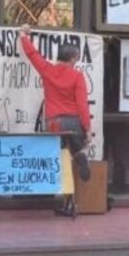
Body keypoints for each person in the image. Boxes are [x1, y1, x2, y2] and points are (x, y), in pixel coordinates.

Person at [19, 24, 93, 183]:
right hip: (73, 121)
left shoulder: (47, 70)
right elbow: (82, 105)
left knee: (54, 154)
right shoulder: (77, 76)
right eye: (77, 58)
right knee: (77, 147)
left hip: (54, 121)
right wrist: (87, 129)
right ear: (72, 58)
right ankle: (79, 154)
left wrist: (23, 36)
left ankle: (53, 186)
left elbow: (32, 54)